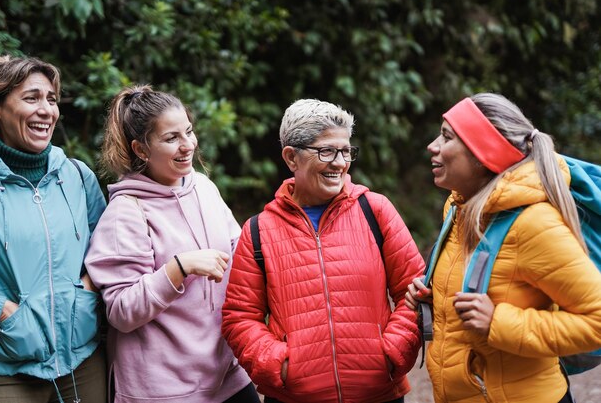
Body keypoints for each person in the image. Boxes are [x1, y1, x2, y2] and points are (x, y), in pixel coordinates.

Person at [222, 98, 425, 403]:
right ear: (291, 158)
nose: (340, 163)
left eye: (346, 151)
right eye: (327, 151)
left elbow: (417, 289)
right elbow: (239, 317)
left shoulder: (375, 210)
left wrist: (392, 352)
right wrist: (279, 365)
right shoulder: (258, 230)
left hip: (378, 395)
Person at [406, 93, 601, 403]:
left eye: (446, 136)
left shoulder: (533, 223)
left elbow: (597, 320)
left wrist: (498, 322)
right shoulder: (458, 209)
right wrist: (435, 296)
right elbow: (494, 284)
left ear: (483, 152)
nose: (433, 146)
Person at [84, 85, 258, 403]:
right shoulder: (126, 212)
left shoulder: (203, 187)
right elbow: (122, 311)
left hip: (227, 375)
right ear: (141, 149)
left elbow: (239, 252)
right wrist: (180, 267)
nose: (187, 145)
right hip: (164, 390)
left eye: (188, 132)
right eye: (171, 138)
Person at [0, 55, 107, 402]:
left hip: (81, 359)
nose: (46, 110)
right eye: (31, 98)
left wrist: (87, 288)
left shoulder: (78, 176)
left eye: (51, 99)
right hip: (0, 366)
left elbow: (107, 252)